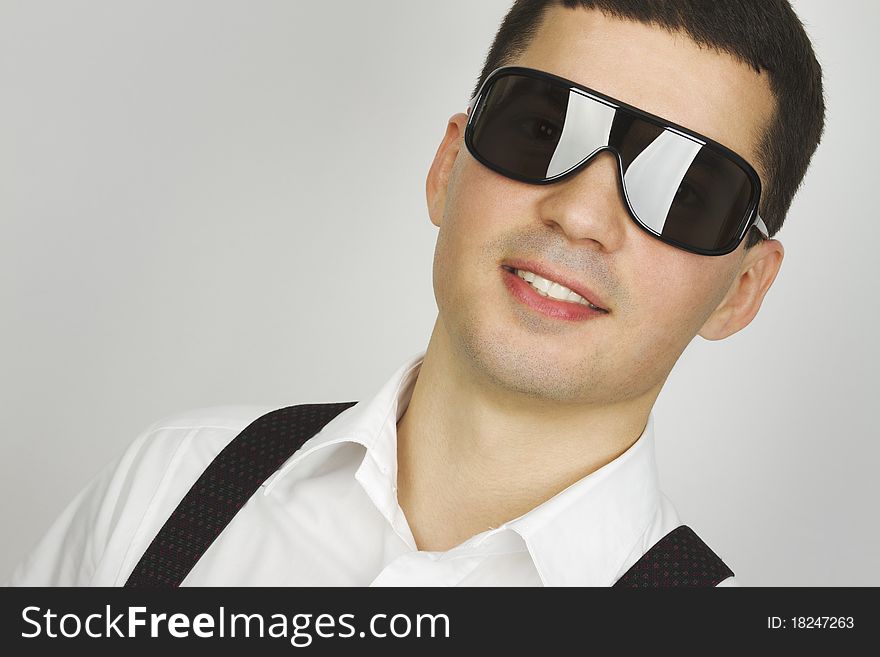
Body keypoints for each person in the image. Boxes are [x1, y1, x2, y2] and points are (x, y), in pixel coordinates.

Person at [6, 0, 825, 587]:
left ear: (741, 290)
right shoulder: (173, 486)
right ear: (447, 169)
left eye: (688, 189)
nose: (579, 212)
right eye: (543, 127)